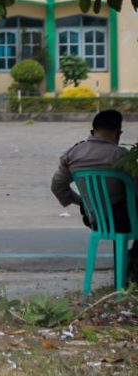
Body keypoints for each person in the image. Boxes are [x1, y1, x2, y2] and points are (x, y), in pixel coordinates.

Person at [51, 110, 135, 280]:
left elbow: (57, 187)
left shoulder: (72, 154)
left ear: (92, 132)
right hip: (126, 220)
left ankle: (129, 265)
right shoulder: (121, 156)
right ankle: (131, 264)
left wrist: (84, 202)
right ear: (118, 133)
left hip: (94, 219)